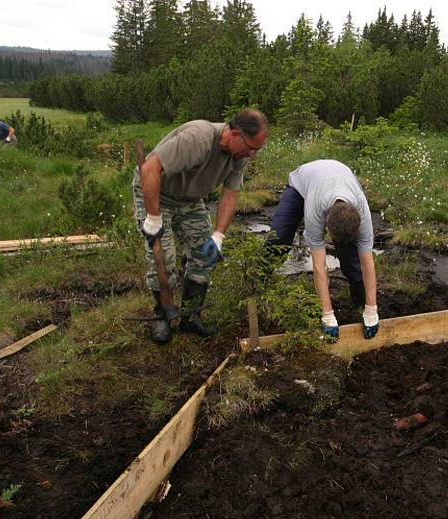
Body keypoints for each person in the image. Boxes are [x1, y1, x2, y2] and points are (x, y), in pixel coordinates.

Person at [135, 108, 269, 343]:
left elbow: (230, 195)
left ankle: (190, 317)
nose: (253, 154)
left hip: (189, 199)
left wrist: (218, 236)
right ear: (236, 134)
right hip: (157, 193)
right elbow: (149, 169)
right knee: (163, 258)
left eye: (257, 150)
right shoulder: (198, 138)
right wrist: (154, 218)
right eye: (251, 147)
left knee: (204, 254)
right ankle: (162, 316)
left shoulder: (239, 156)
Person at [266, 159, 380, 340]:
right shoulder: (315, 210)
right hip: (302, 185)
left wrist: (372, 310)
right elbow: (319, 266)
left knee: (352, 261)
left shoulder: (362, 213)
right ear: (326, 222)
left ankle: (361, 306)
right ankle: (258, 284)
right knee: (278, 239)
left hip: (338, 176)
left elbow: (368, 263)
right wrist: (327, 314)